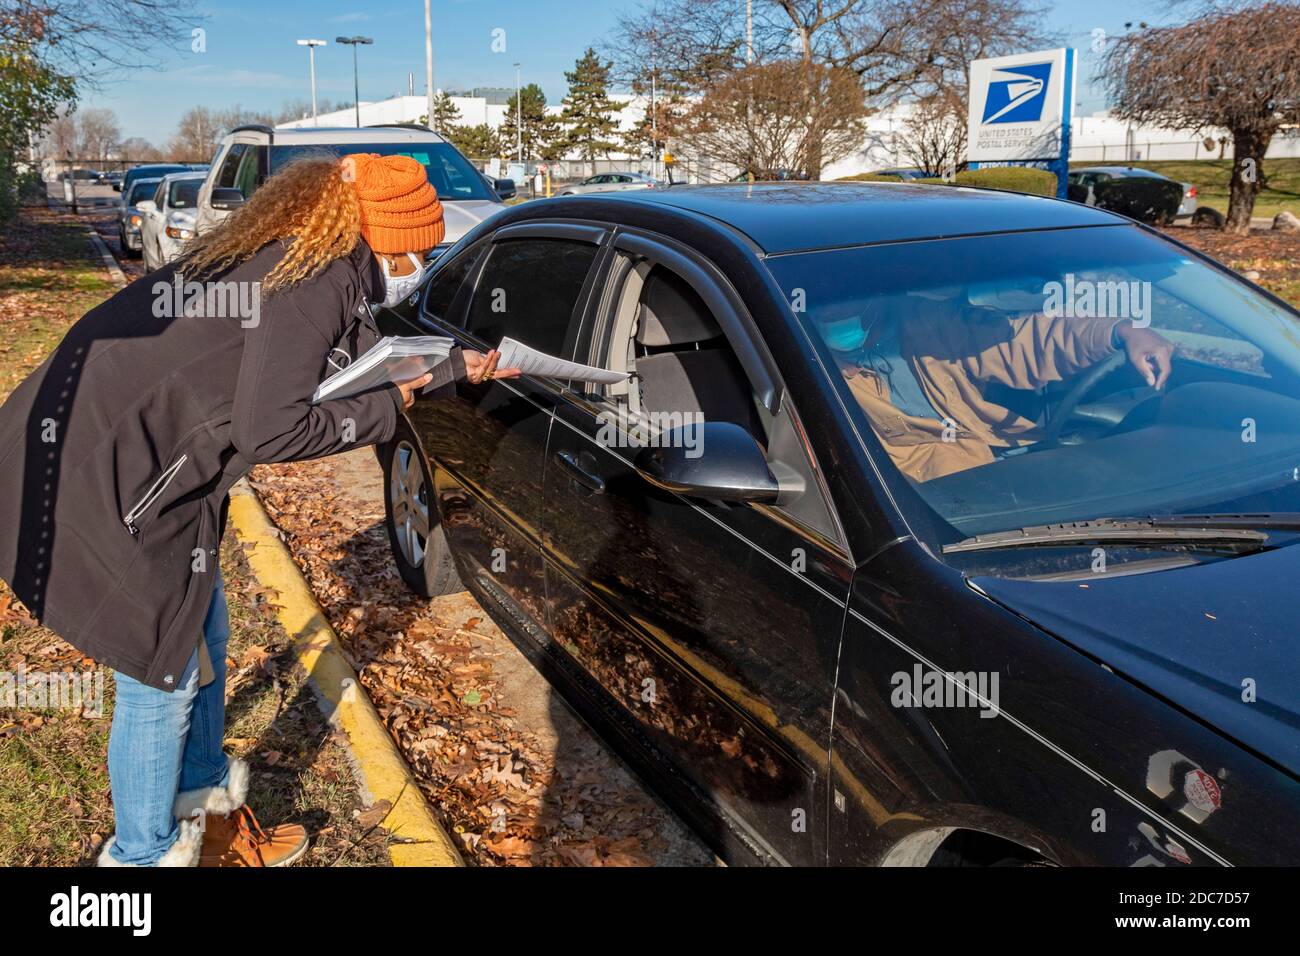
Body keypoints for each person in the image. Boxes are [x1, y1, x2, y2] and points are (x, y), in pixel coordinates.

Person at [0, 152, 518, 866]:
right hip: (104, 478)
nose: (420, 263)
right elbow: (272, 428)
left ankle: (210, 816)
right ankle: (140, 860)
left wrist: (459, 365)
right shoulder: (310, 279)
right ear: (384, 236)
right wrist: (386, 409)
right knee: (163, 675)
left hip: (154, 471)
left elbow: (357, 355)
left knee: (205, 636)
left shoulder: (304, 258)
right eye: (420, 248)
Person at [817, 281, 1176, 483]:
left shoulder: (931, 326)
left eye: (842, 307)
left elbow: (1025, 342)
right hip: (931, 496)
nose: (831, 317)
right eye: (821, 310)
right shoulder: (811, 363)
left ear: (875, 299)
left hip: (1003, 461)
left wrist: (1120, 331)